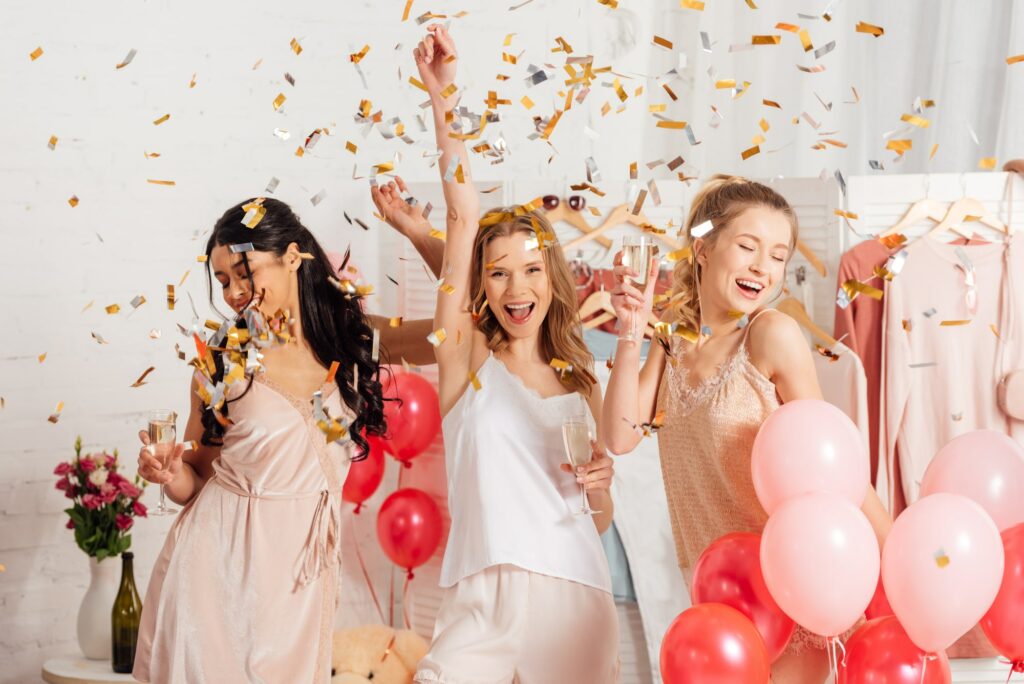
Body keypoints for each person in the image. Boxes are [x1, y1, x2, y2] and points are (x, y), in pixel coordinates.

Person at [602, 175, 892, 683]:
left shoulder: (770, 335)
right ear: (703, 248)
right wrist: (632, 329)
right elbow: (620, 437)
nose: (764, 267)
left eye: (778, 255)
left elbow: (835, 467)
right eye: (748, 246)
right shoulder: (672, 341)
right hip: (719, 598)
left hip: (791, 595)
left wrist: (901, 562)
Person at [132, 197, 435, 683]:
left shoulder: (351, 337)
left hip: (299, 584)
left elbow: (460, 330)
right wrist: (170, 473)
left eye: (244, 273)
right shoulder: (222, 361)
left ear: (293, 257)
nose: (233, 293)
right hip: (217, 577)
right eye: (223, 281)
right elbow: (196, 481)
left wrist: (420, 235)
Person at [404, 24, 620, 684]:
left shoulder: (582, 379)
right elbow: (462, 215)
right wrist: (444, 97)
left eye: (530, 270)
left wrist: (603, 485)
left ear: (552, 278)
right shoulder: (465, 359)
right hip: (482, 594)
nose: (515, 288)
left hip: (575, 592)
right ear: (482, 285)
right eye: (497, 273)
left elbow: (599, 518)